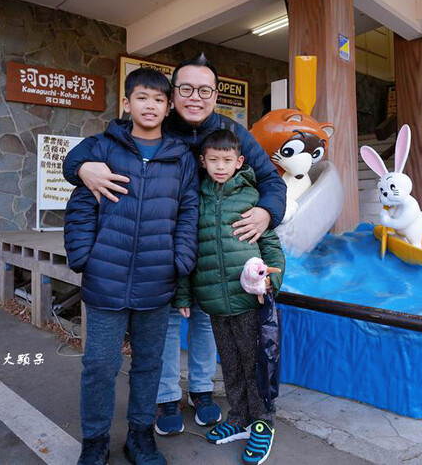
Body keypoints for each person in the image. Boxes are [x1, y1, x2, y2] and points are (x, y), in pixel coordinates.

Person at [63, 53, 287, 435]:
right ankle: (167, 396)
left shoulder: (232, 133)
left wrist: (267, 212)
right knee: (167, 322)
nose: (195, 97)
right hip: (164, 249)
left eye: (204, 90)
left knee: (205, 322)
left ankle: (202, 391)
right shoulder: (156, 124)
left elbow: (271, 181)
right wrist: (81, 167)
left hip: (215, 250)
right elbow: (85, 155)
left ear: (215, 95)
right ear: (173, 96)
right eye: (186, 89)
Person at [64, 67, 200, 465]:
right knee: (99, 365)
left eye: (159, 99)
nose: (150, 105)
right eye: (142, 97)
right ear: (126, 103)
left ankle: (140, 437)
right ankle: (94, 440)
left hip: (157, 279)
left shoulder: (180, 158)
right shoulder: (102, 148)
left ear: (169, 106)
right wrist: (84, 257)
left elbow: (188, 212)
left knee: (149, 365)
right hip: (105, 278)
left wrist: (180, 261)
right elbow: (80, 206)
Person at [175, 129, 285, 465]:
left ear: (239, 162)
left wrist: (272, 281)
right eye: (213, 160)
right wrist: (184, 294)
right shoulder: (197, 199)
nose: (220, 166)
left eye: (227, 160)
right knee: (231, 364)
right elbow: (188, 249)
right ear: (202, 161)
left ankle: (262, 423)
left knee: (256, 364)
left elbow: (271, 244)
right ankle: (238, 417)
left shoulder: (251, 197)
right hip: (214, 302)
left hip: (249, 300)